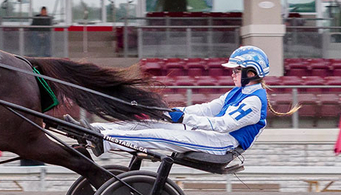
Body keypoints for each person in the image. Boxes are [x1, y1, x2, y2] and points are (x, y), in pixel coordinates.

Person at [79, 46, 299, 156]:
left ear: (251, 72)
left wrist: (184, 118)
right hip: (210, 136)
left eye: (236, 71)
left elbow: (223, 124)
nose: (232, 74)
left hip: (221, 144)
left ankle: (105, 141)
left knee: (159, 135)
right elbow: (208, 109)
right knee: (151, 123)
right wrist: (171, 112)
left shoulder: (254, 101)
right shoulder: (238, 92)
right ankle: (95, 129)